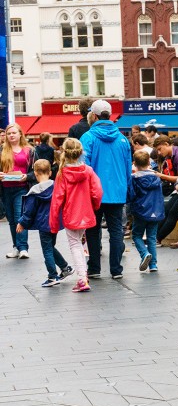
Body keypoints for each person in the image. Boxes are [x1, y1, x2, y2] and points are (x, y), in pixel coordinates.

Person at [82, 99, 133, 280]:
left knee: (93, 230)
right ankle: (116, 269)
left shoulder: (88, 138)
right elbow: (128, 168)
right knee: (116, 230)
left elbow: (83, 168)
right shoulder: (122, 139)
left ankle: (94, 267)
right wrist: (127, 188)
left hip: (94, 192)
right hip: (117, 191)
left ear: (94, 116)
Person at [50, 138, 104, 293]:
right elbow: (98, 192)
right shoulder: (88, 171)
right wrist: (94, 205)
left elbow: (57, 200)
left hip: (71, 214)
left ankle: (82, 278)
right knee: (79, 244)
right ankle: (83, 275)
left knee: (75, 245)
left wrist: (53, 224)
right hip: (86, 211)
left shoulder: (62, 173)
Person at [17, 159, 74, 287]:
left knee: (47, 250)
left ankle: (52, 276)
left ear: (36, 173)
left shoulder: (34, 191)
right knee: (50, 246)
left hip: (43, 224)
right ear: (49, 172)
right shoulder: (57, 186)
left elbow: (29, 211)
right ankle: (65, 268)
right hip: (55, 222)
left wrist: (22, 223)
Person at [0, 123, 34, 259]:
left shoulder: (29, 150)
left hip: (22, 188)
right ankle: (16, 247)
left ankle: (23, 248)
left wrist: (27, 176)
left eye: (14, 133)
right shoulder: (2, 150)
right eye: (9, 133)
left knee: (19, 217)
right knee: (11, 220)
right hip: (6, 189)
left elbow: (34, 171)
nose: (11, 135)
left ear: (20, 134)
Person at [128, 150, 165, 272]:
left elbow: (132, 194)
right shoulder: (156, 177)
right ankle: (153, 264)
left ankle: (144, 253)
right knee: (151, 238)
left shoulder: (134, 178)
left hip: (140, 211)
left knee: (137, 235)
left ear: (135, 163)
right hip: (155, 211)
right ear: (149, 162)